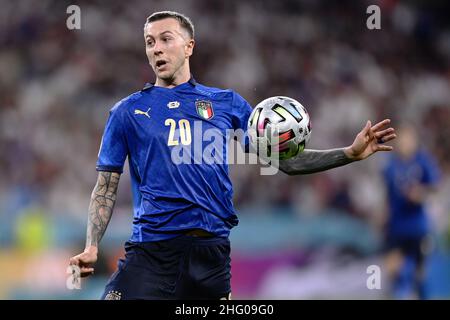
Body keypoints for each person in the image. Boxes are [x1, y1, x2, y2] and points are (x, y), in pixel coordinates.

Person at [69, 11, 396, 300]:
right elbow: (106, 186)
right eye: (149, 41)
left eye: (166, 39)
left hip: (212, 257)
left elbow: (286, 162)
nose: (156, 48)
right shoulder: (127, 111)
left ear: (189, 46)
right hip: (153, 251)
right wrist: (92, 244)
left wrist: (348, 154)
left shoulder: (227, 103)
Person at [382, 124, 440, 299]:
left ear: (414, 141)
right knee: (393, 271)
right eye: (402, 140)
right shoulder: (390, 166)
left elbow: (435, 187)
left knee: (419, 274)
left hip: (418, 227)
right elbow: (388, 196)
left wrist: (420, 193)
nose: (405, 143)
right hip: (397, 226)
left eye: (408, 139)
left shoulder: (423, 161)